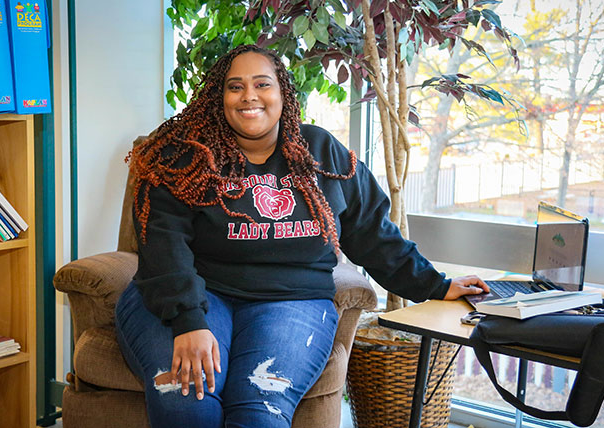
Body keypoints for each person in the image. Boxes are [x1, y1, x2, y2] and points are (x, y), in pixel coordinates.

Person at [115, 44, 490, 428]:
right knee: (186, 404)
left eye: (263, 84)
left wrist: (435, 285)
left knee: (259, 414)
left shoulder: (321, 153)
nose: (249, 96)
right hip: (197, 295)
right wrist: (189, 322)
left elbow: (374, 235)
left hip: (292, 301)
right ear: (218, 98)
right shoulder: (187, 158)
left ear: (283, 94)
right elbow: (163, 244)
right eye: (235, 87)